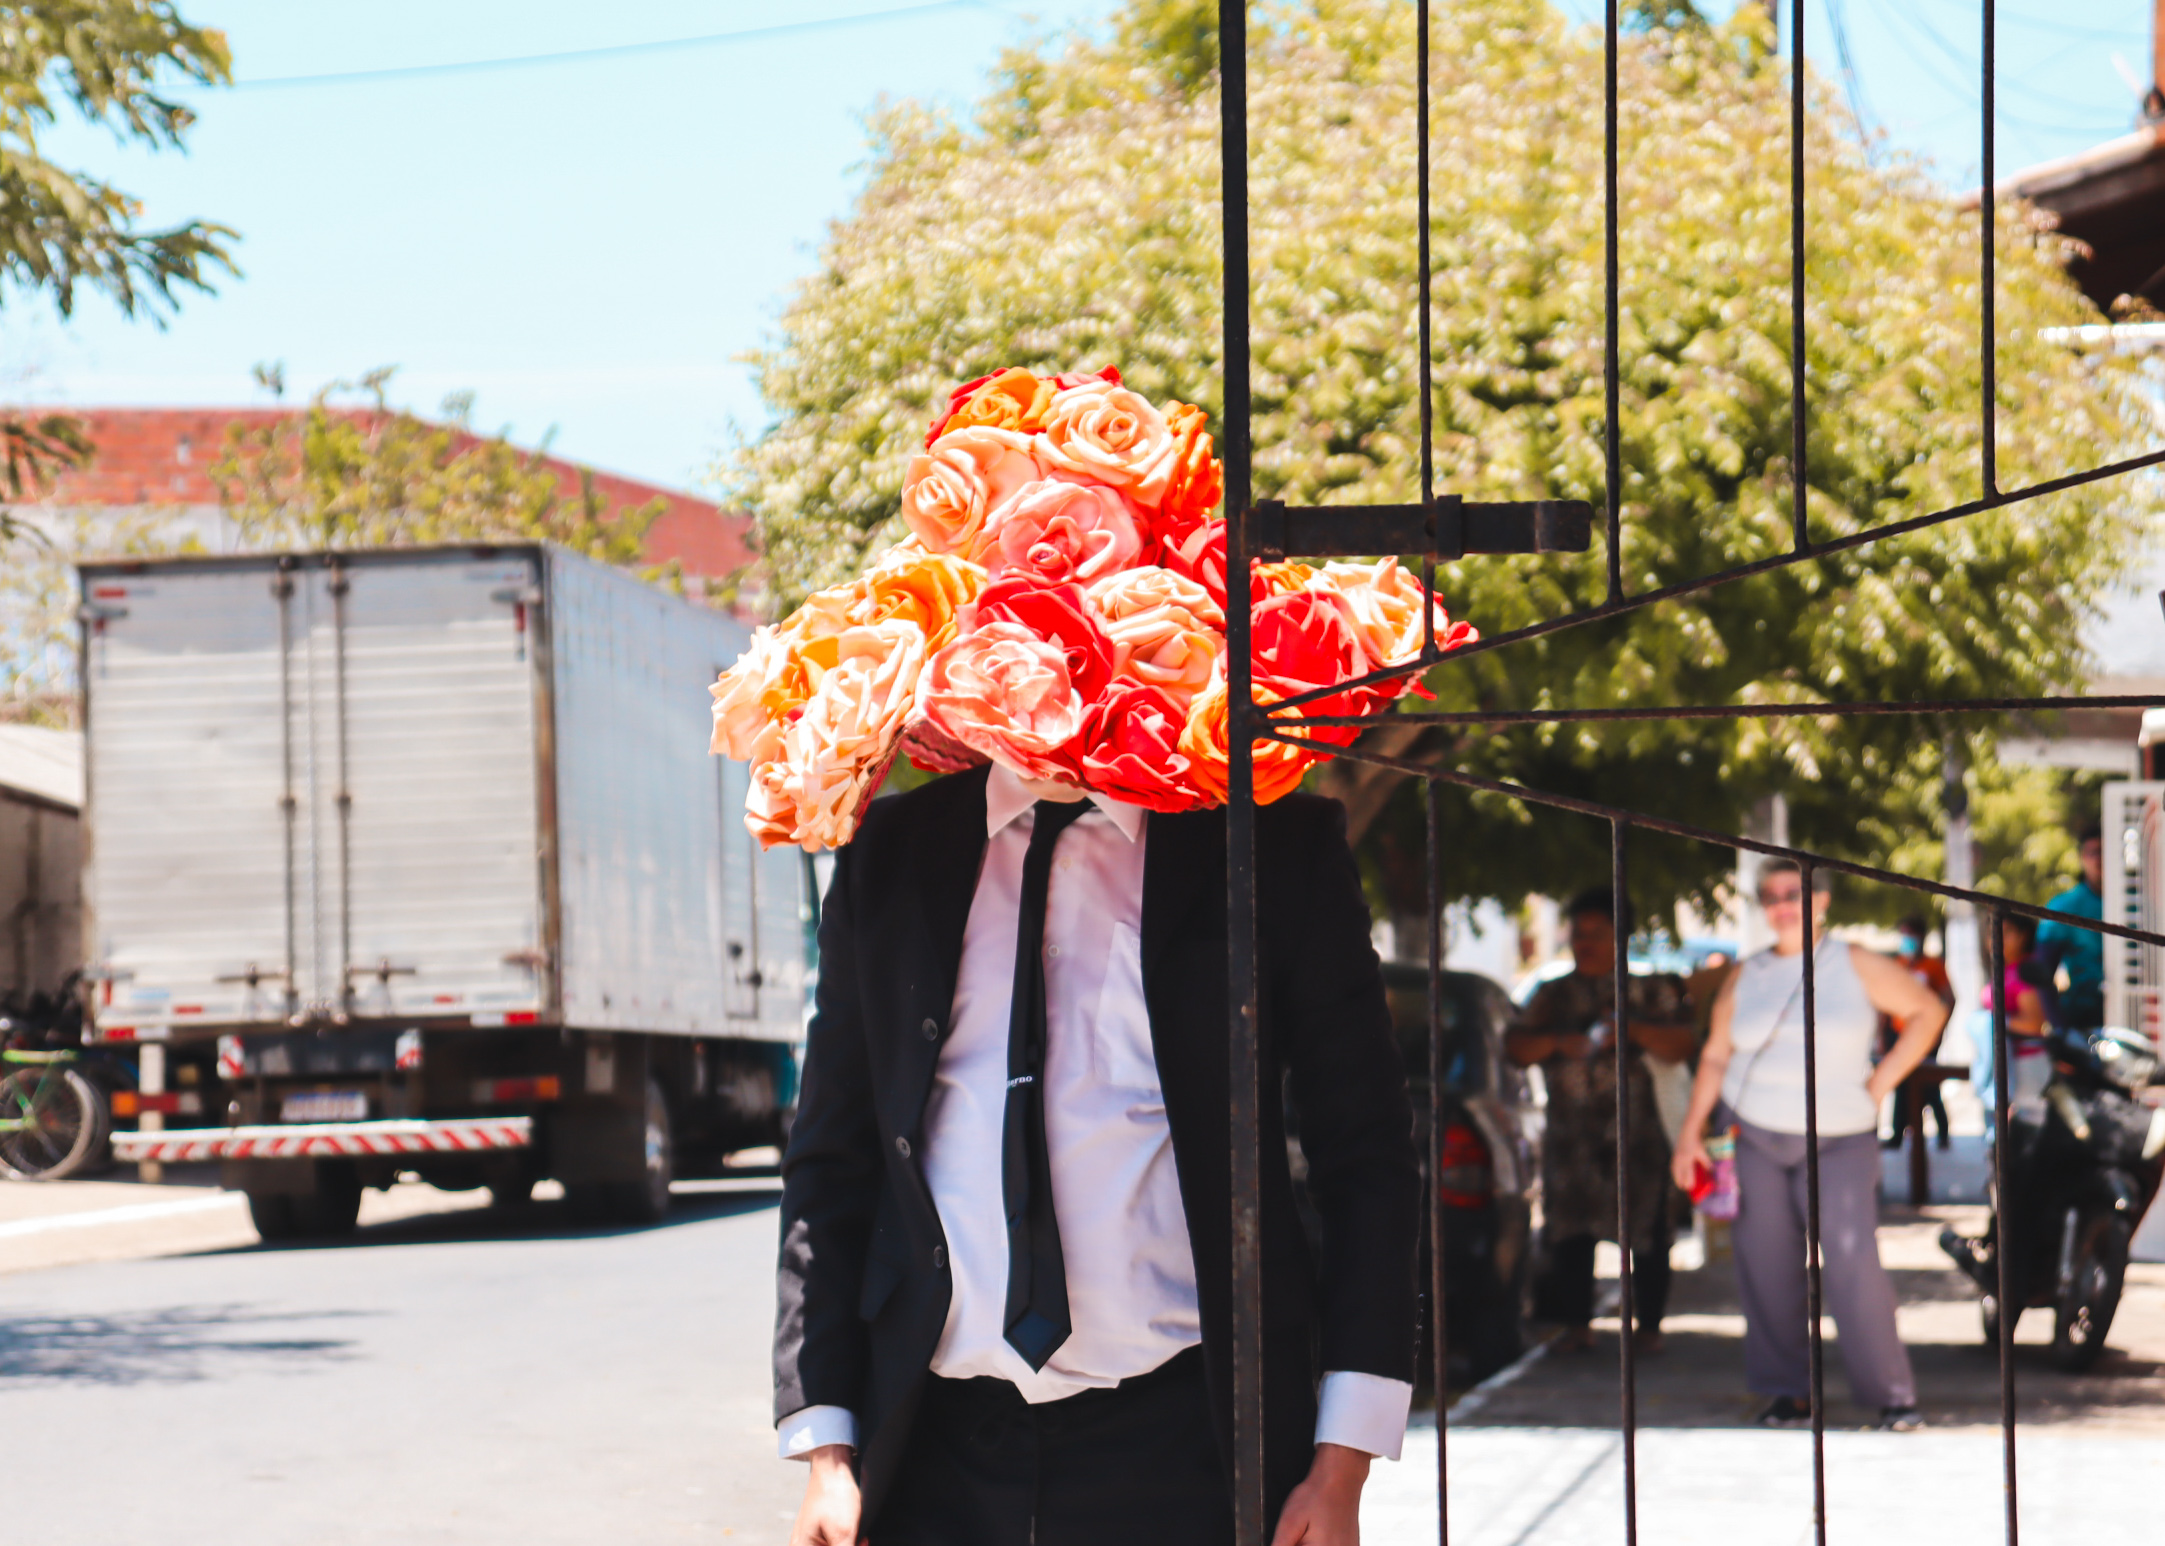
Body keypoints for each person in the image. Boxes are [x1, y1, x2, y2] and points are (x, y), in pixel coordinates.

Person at [774, 764, 1420, 1546]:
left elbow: (1364, 1151)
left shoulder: (1270, 841)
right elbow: (833, 1157)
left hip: (1184, 1447)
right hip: (932, 1453)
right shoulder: (893, 844)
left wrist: (1342, 1460)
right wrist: (825, 1443)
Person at [1670, 860, 1948, 1431]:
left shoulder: (1855, 962)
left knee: (1852, 1261)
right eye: (1770, 897)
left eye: (1793, 893)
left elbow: (1928, 1012)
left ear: (1820, 900)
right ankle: (1787, 1394)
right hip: (1754, 1132)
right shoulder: (1746, 973)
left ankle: (1893, 1397)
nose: (1782, 905)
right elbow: (1717, 1054)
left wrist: (1879, 1084)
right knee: (1766, 1266)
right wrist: (1690, 1133)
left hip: (1839, 1137)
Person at [1508, 888, 1696, 1355]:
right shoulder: (1552, 993)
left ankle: (1649, 1330)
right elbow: (1515, 1047)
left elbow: (1683, 1044)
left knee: (1649, 1237)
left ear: (1620, 936)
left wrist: (1635, 1030)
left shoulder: (1651, 989)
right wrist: (1557, 1042)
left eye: (1597, 933)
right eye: (1578, 933)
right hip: (1571, 1141)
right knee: (1569, 1237)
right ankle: (1577, 1328)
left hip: (1640, 1141)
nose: (1585, 943)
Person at [1881, 916, 1953, 1152]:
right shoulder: (1897, 964)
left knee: (1928, 1083)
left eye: (1910, 934)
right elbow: (1885, 1003)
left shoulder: (1934, 966)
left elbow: (1949, 998)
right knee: (1900, 1083)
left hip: (1925, 1035)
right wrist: (1882, 1036)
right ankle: (1897, 1134)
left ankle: (1942, 1131)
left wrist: (1939, 1029)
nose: (1907, 939)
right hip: (1899, 1033)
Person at [2036, 825, 2105, 1032]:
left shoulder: (2140, 904)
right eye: (2093, 852)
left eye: (2105, 851)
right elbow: (2042, 973)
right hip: (2084, 1022)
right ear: (2082, 858)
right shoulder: (2064, 907)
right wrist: (2061, 1030)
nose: (2100, 859)